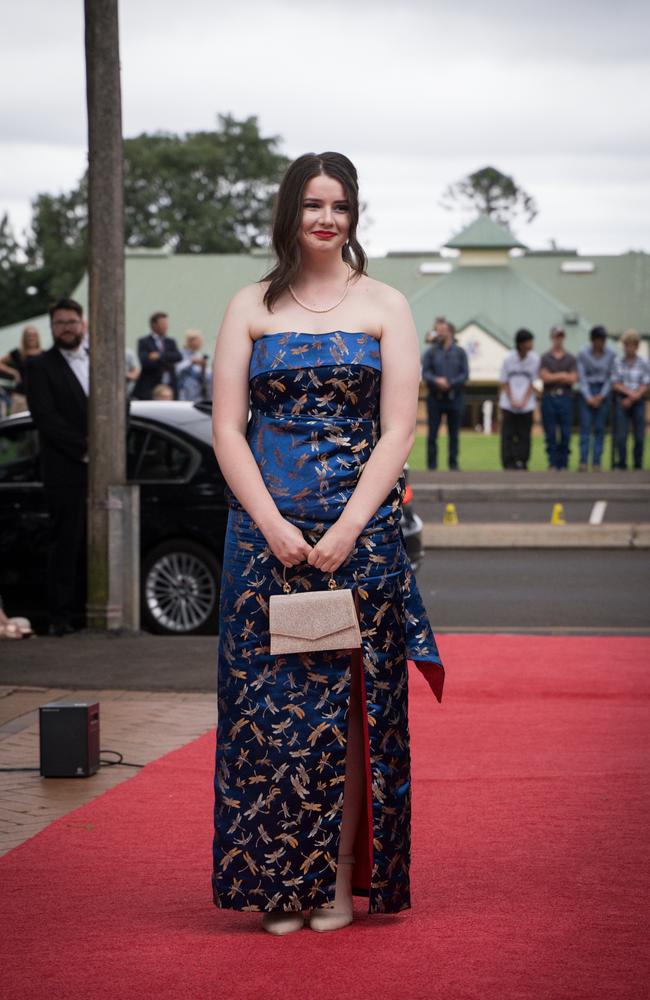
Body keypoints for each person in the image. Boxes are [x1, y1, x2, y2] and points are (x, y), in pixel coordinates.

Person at [210, 151, 445, 937]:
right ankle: (283, 884)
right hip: (264, 542)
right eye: (312, 204)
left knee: (349, 716)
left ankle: (340, 882)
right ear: (289, 211)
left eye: (339, 206)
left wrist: (346, 528)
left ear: (354, 215)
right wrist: (275, 526)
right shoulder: (249, 305)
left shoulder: (386, 304)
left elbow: (399, 429)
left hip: (361, 542)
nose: (326, 218)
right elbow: (227, 430)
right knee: (268, 713)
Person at [24, 298, 88, 636]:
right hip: (65, 470)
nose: (66, 328)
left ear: (83, 324)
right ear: (51, 328)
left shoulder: (99, 361)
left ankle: (88, 615)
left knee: (95, 545)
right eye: (59, 323)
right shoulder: (39, 366)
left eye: (71, 322)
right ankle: (62, 618)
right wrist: (87, 448)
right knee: (66, 543)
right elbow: (45, 418)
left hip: (107, 473)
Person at [422, 318, 469, 470]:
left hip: (455, 398)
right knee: (432, 434)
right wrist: (437, 380)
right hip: (435, 398)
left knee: (454, 435)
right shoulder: (431, 352)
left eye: (442, 330)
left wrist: (451, 382)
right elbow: (425, 373)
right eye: (438, 330)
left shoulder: (460, 352)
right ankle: (432, 466)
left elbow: (465, 374)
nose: (439, 333)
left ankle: (453, 465)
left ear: (450, 332)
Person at [499, 329, 540, 470]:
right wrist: (512, 400)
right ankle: (508, 462)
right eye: (529, 341)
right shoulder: (508, 358)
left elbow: (533, 382)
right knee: (508, 434)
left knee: (524, 435)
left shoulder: (535, 359)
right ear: (521, 343)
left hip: (526, 404)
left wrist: (524, 400)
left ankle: (522, 461)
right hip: (509, 404)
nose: (531, 344)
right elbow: (504, 382)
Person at [576, 325, 615, 471]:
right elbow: (582, 377)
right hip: (587, 390)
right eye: (599, 340)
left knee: (600, 428)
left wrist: (601, 395)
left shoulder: (611, 354)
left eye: (603, 340)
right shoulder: (583, 353)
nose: (601, 343)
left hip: (603, 391)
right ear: (593, 340)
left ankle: (597, 461)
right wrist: (588, 396)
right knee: (585, 427)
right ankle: (583, 461)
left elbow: (611, 377)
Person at [539, 325, 577, 470]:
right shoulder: (545, 357)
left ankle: (564, 462)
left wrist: (554, 376)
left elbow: (573, 378)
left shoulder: (571, 358)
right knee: (550, 432)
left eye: (561, 336)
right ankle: (552, 462)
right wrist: (563, 375)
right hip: (549, 397)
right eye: (556, 336)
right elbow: (544, 377)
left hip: (566, 397)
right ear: (552, 338)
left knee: (566, 432)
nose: (559, 339)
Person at [612, 330, 649, 470]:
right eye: (626, 345)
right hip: (622, 400)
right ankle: (622, 464)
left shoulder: (644, 363)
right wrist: (629, 395)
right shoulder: (618, 362)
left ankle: (638, 464)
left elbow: (645, 383)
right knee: (621, 436)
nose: (628, 348)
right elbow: (616, 383)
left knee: (639, 436)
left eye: (631, 345)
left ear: (636, 346)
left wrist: (634, 396)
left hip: (638, 401)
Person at [132, 312, 182, 399]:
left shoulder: (170, 342)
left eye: (166, 324)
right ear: (154, 325)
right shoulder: (144, 341)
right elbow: (145, 362)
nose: (166, 327)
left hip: (169, 385)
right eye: (163, 324)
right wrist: (167, 360)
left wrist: (159, 356)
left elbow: (178, 357)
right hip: (150, 387)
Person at [0, 325, 42, 414]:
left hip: (40, 396)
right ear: (24, 337)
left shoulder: (43, 354)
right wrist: (13, 372)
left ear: (37, 337)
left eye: (33, 335)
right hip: (21, 397)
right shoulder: (17, 353)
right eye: (29, 335)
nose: (31, 337)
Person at [176, 330, 212, 401]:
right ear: (191, 341)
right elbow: (177, 369)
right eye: (199, 341)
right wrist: (191, 362)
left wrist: (203, 367)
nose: (201, 343)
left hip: (197, 392)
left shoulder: (198, 355)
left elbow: (206, 376)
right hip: (184, 390)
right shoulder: (180, 353)